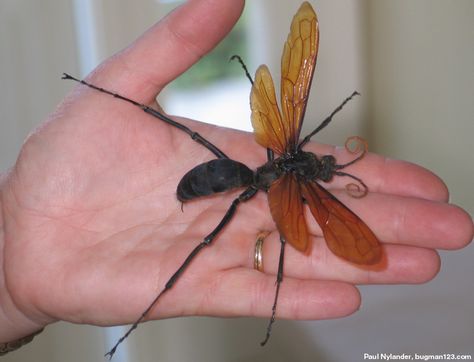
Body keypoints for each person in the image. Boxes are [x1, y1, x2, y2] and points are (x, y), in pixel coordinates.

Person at [0, 0, 472, 355]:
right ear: (316, 174)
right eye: (327, 169)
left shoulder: (288, 158)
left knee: (232, 233)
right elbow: (293, 218)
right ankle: (111, 96)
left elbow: (293, 191)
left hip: (231, 176)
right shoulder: (300, 183)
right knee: (231, 231)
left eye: (327, 170)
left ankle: (141, 313)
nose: (326, 169)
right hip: (224, 177)